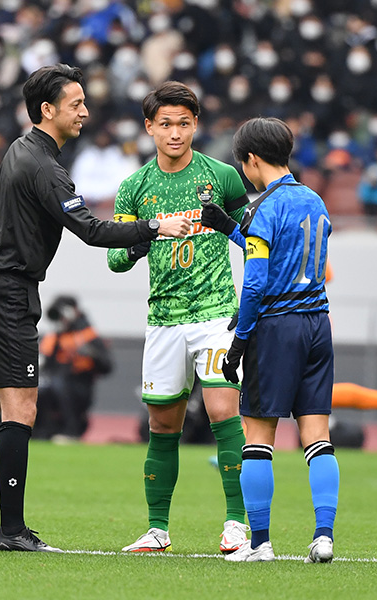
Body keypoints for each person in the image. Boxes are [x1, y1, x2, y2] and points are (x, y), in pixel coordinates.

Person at [0, 64, 191, 553]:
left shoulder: (24, 152)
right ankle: (12, 531)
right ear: (48, 110)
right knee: (21, 411)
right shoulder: (43, 165)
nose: (84, 110)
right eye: (76, 103)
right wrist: (155, 227)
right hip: (7, 295)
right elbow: (92, 231)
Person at [105, 81, 250, 555]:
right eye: (165, 124)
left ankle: (236, 524)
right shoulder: (134, 188)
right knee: (163, 428)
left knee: (224, 414)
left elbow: (251, 238)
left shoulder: (223, 176)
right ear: (149, 127)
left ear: (196, 126)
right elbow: (115, 261)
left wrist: (229, 227)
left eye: (183, 124)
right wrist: (141, 241)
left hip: (216, 316)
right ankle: (157, 529)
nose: (175, 133)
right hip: (164, 320)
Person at [203, 117, 338, 563]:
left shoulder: (265, 207)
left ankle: (260, 544)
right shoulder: (315, 200)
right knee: (317, 436)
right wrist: (229, 227)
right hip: (318, 323)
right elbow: (278, 249)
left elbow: (257, 283)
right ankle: (323, 536)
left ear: (251, 160)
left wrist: (239, 341)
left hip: (277, 328)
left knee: (257, 437)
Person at [36, 295, 113, 442]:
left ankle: (71, 430)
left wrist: (91, 353)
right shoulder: (53, 337)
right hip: (54, 384)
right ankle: (41, 430)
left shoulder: (87, 335)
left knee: (60, 384)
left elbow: (107, 367)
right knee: (41, 388)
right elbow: (45, 364)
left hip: (79, 385)